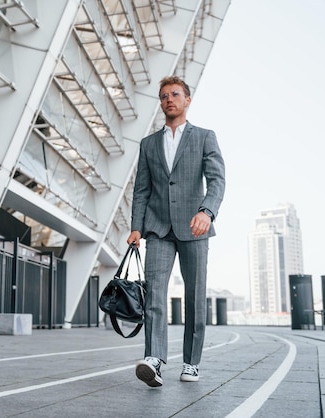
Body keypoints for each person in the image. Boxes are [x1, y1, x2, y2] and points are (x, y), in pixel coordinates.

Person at [127, 75, 225, 387]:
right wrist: (136, 228)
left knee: (195, 296)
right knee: (154, 292)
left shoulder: (205, 137)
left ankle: (192, 363)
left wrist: (207, 212)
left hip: (194, 228)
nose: (169, 99)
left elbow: (217, 180)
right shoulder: (148, 144)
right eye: (164, 96)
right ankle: (154, 358)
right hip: (157, 229)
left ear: (187, 100)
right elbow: (141, 190)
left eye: (175, 94)